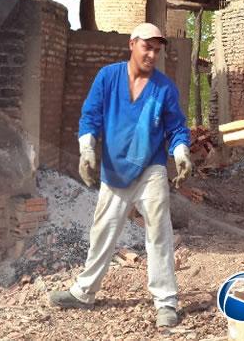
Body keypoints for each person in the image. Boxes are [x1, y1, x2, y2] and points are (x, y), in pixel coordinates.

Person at [49, 22, 192, 328]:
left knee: (158, 230)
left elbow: (177, 128)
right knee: (103, 230)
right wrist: (87, 148)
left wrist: (180, 152)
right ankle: (84, 292)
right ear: (132, 44)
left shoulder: (164, 88)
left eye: (157, 49)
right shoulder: (108, 77)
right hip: (114, 168)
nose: (152, 54)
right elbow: (91, 116)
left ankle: (166, 302)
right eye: (147, 47)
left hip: (150, 168)